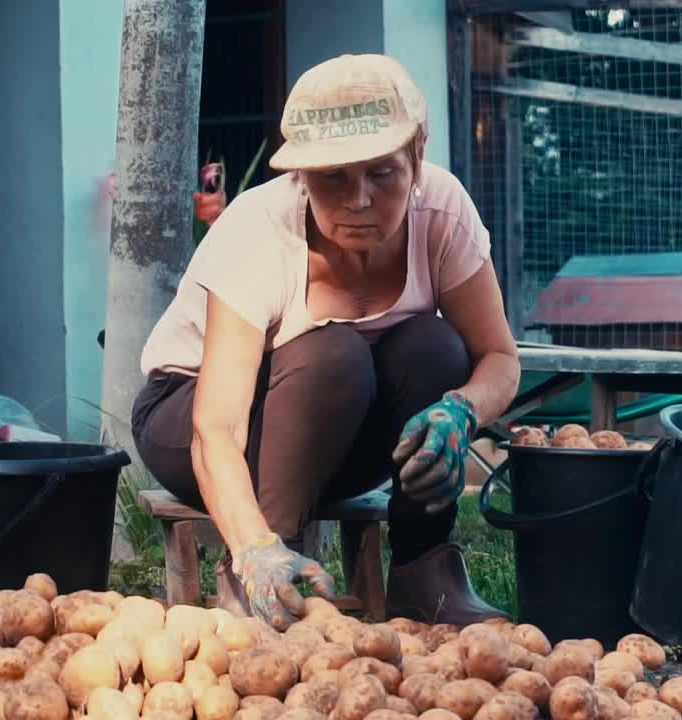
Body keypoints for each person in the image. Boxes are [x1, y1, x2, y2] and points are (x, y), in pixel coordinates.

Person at [130, 53, 520, 630]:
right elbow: (215, 430)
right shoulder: (259, 231)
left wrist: (462, 412)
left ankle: (423, 570)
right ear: (299, 175)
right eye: (332, 176)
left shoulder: (442, 211)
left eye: (381, 173)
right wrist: (253, 549)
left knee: (436, 348)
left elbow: (500, 358)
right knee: (331, 353)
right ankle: (262, 579)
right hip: (193, 423)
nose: (358, 198)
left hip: (339, 431)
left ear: (416, 154)